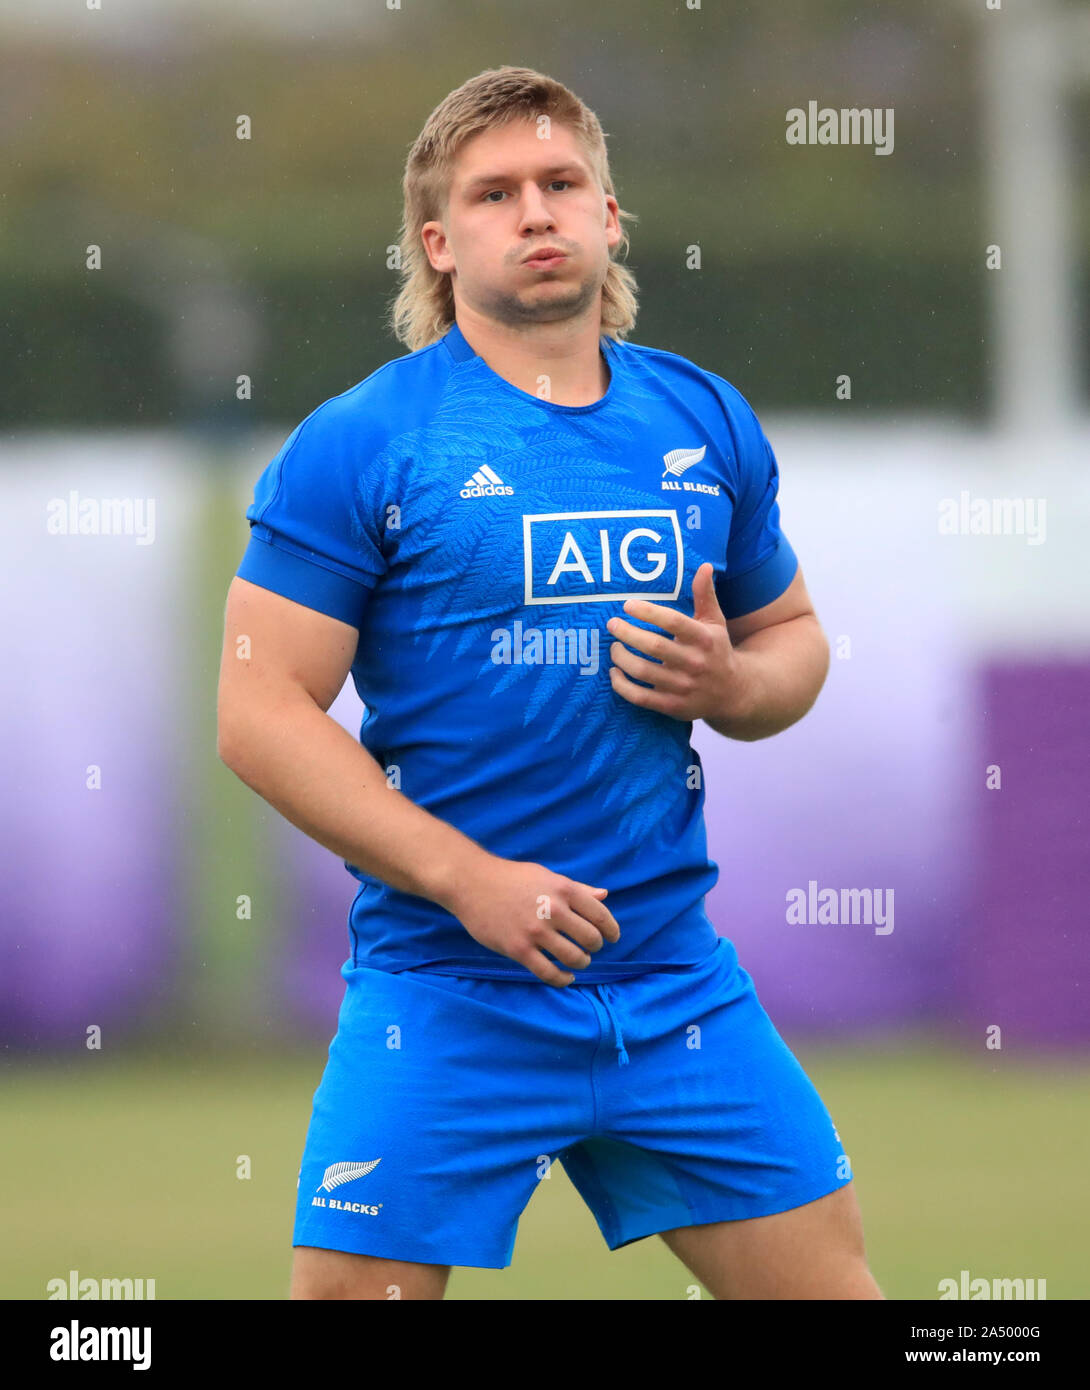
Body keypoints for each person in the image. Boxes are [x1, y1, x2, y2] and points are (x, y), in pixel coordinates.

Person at [217, 65, 883, 1301]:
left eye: (562, 183)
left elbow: (793, 638)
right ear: (437, 241)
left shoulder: (704, 418)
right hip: (448, 992)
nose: (536, 211)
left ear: (610, 216)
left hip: (672, 980)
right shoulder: (363, 440)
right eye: (495, 193)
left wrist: (734, 683)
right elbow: (257, 712)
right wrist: (470, 882)